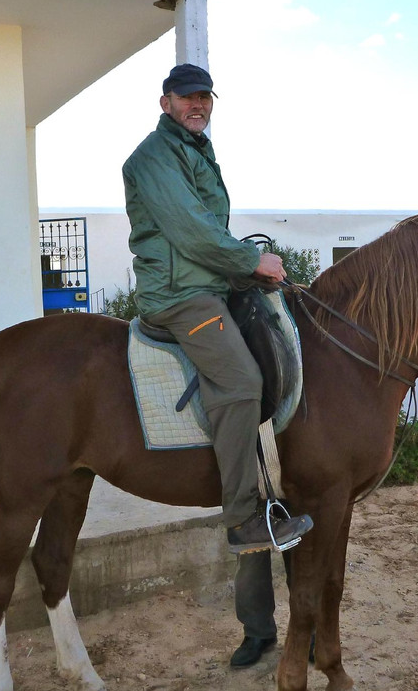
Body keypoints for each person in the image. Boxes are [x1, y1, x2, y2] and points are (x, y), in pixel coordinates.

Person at [122, 63, 313, 556]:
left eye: (204, 97)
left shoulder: (195, 151)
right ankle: (243, 519)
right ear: (165, 102)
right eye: (188, 97)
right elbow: (192, 230)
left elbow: (207, 232)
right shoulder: (154, 156)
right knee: (242, 380)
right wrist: (251, 260)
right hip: (179, 297)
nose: (198, 104)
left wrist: (248, 273)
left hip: (206, 285)